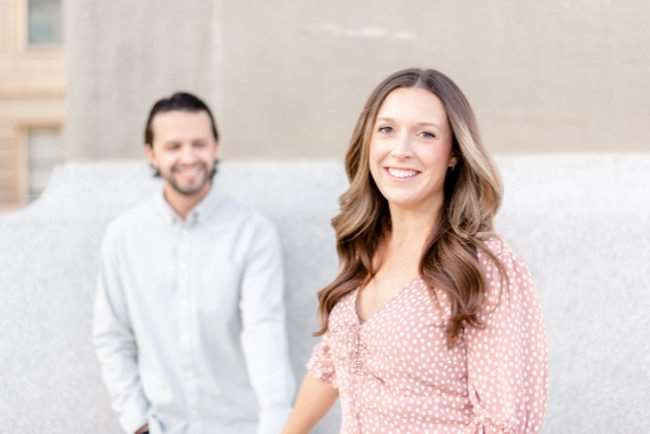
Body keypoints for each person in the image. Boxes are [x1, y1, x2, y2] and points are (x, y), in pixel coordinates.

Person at [283, 68, 548, 433]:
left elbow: (507, 424)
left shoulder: (483, 266)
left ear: (453, 152)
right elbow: (332, 360)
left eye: (425, 134)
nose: (401, 150)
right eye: (387, 129)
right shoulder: (366, 246)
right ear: (369, 141)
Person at [93, 92, 295, 434]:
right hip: (161, 427)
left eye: (199, 143)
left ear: (215, 147)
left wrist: (276, 423)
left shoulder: (253, 233)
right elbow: (112, 337)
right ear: (152, 155)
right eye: (173, 147)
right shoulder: (123, 236)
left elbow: (264, 331)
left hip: (242, 426)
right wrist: (136, 423)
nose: (189, 157)